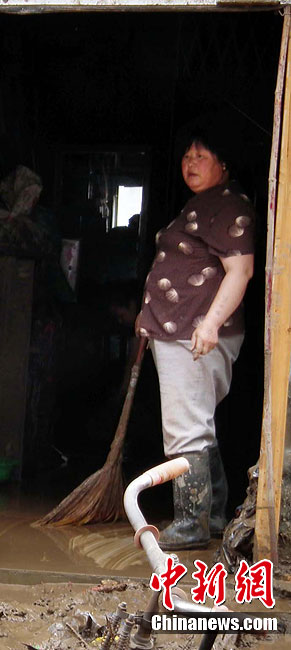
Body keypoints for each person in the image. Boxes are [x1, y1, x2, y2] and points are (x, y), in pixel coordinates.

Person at [135, 129, 255, 551]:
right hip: (177, 329)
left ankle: (191, 523)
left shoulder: (228, 206)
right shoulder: (205, 203)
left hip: (194, 333)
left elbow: (240, 271)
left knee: (186, 427)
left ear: (223, 164)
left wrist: (210, 325)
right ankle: (214, 514)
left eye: (201, 156)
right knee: (196, 422)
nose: (191, 162)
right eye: (187, 155)